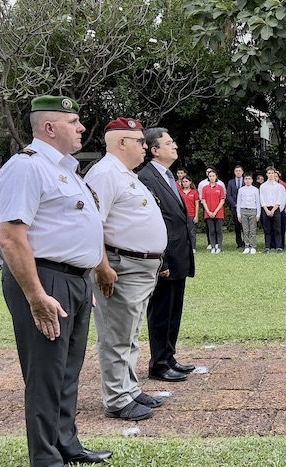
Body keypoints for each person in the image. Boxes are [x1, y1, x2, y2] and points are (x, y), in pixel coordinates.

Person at [0, 95, 110, 467]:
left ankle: (66, 444)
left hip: (73, 281)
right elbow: (11, 238)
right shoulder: (27, 167)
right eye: (74, 121)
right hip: (45, 280)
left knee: (67, 370)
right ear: (49, 127)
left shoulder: (67, 171)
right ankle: (45, 460)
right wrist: (35, 295)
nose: (81, 127)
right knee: (45, 372)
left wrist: (84, 279)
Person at [84, 117, 168, 420]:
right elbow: (93, 224)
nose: (145, 147)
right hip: (121, 266)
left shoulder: (125, 174)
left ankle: (129, 389)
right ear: (122, 143)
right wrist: (102, 266)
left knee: (129, 333)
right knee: (116, 334)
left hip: (138, 266)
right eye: (139, 142)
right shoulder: (105, 174)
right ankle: (118, 399)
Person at [138, 127, 197, 382]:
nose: (174, 146)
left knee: (174, 309)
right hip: (164, 256)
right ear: (155, 150)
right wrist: (160, 258)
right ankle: (159, 363)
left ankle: (169, 357)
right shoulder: (146, 178)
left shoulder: (167, 175)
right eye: (169, 143)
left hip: (178, 254)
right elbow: (151, 221)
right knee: (161, 310)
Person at [259, 166, 286, 253]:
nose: (271, 175)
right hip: (266, 208)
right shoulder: (263, 186)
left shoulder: (279, 187)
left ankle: (278, 247)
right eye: (269, 173)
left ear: (275, 174)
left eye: (272, 173)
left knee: (277, 228)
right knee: (267, 229)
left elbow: (279, 200)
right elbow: (262, 199)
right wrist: (266, 210)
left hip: (276, 208)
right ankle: (267, 247)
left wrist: (273, 210)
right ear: (266, 174)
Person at [200, 168, 226, 253]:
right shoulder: (205, 188)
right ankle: (213, 246)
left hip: (218, 212)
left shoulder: (220, 187)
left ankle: (219, 246)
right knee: (211, 230)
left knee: (218, 230)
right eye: (210, 176)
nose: (211, 177)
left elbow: (222, 200)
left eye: (213, 176)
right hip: (208, 212)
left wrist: (215, 212)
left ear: (216, 177)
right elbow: (203, 200)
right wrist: (208, 211)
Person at [236, 172, 260, 254]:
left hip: (253, 210)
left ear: (252, 180)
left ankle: (253, 246)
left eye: (249, 179)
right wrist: (238, 214)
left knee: (252, 230)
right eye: (246, 179)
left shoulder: (256, 190)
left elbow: (258, 202)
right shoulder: (241, 190)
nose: (247, 180)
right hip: (243, 210)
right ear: (244, 180)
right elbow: (239, 202)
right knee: (245, 230)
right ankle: (246, 246)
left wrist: (258, 214)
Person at [226, 164, 245, 249]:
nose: (238, 172)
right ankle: (239, 242)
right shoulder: (231, 182)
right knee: (237, 226)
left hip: (245, 206)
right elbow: (228, 195)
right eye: (236, 171)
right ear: (234, 172)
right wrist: (234, 204)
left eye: (239, 171)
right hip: (235, 206)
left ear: (242, 172)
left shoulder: (246, 181)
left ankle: (246, 242)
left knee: (245, 225)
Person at [179, 177, 200, 251]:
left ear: (190, 182)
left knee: (192, 232)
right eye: (183, 181)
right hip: (182, 215)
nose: (185, 183)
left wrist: (196, 216)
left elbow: (197, 204)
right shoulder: (180, 192)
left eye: (186, 181)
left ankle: (192, 247)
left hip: (191, 214)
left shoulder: (194, 192)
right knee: (183, 232)